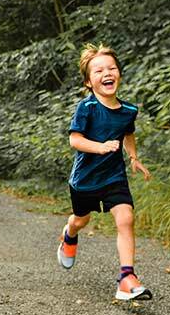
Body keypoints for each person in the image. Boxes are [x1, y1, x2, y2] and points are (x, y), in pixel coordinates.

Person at [56, 44, 153, 301]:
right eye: (98, 70)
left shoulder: (128, 111)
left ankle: (126, 278)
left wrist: (133, 157)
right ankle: (69, 234)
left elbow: (127, 133)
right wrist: (99, 147)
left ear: (119, 74)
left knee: (125, 218)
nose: (106, 73)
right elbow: (75, 140)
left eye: (111, 68)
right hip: (85, 180)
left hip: (114, 177)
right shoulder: (87, 108)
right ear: (89, 81)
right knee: (81, 220)